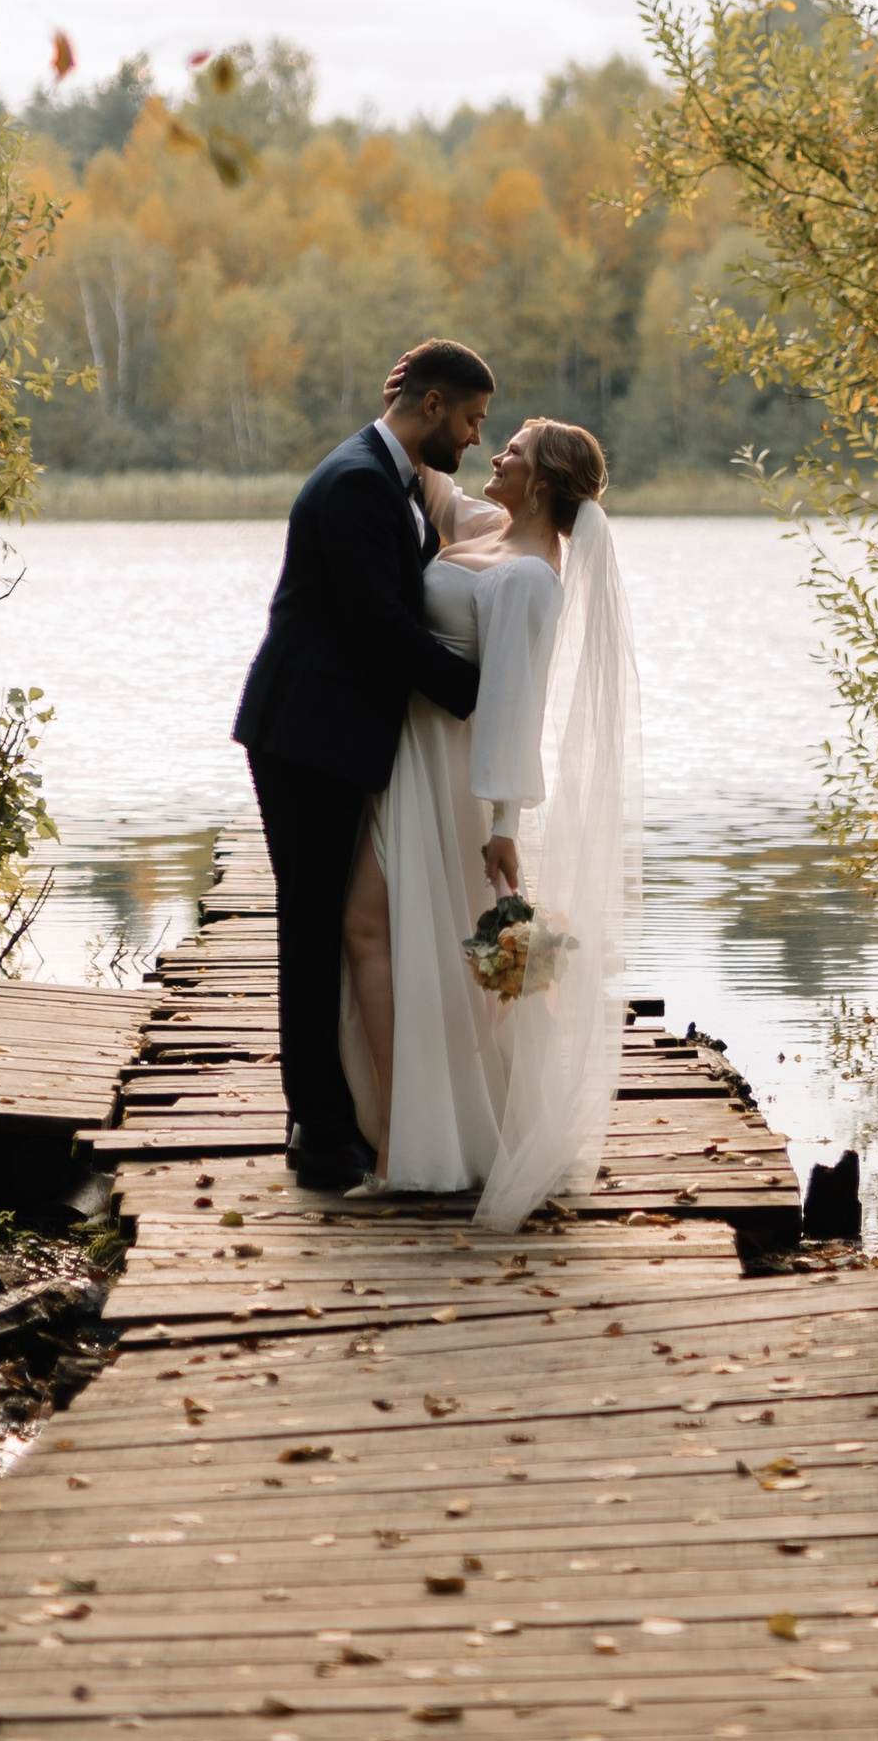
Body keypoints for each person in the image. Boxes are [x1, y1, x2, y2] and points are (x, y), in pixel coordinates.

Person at [338, 406, 640, 1231]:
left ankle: (414, 1139)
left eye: (508, 450)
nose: (490, 453)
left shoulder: (530, 577)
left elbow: (518, 703)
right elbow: (429, 476)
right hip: (412, 759)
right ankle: (412, 1128)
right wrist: (410, 401)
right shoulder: (488, 527)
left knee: (383, 928)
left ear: (539, 481)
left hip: (456, 778)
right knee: (392, 936)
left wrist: (503, 821)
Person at [232, 341, 496, 1193]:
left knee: (324, 922)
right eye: (469, 419)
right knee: (310, 928)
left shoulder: (394, 477)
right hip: (308, 736)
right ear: (430, 407)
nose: (475, 439)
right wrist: (481, 691)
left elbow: (464, 546)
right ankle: (320, 1131)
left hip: (333, 733)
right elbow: (382, 626)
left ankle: (335, 1113)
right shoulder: (355, 483)